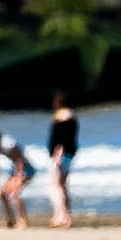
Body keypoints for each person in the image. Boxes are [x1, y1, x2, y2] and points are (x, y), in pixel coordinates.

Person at [0, 126, 36, 229]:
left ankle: (23, 221)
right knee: (2, 194)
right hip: (14, 170)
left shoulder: (8, 144)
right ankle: (10, 220)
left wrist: (18, 177)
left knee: (15, 194)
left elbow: (20, 160)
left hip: (26, 169)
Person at [47, 91, 79, 228]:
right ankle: (65, 216)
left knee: (55, 186)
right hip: (70, 154)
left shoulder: (62, 116)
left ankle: (61, 216)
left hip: (60, 154)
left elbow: (61, 138)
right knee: (63, 185)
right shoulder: (73, 116)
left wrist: (58, 153)